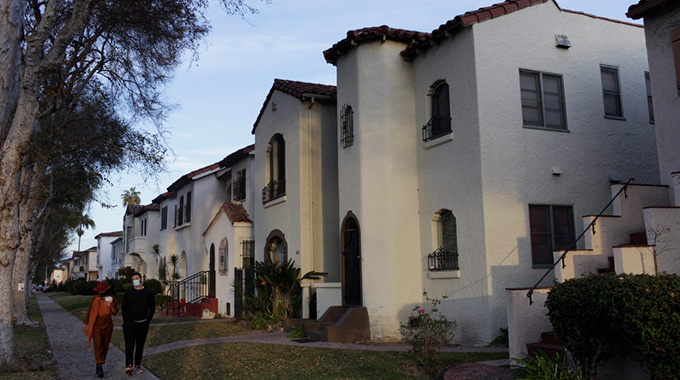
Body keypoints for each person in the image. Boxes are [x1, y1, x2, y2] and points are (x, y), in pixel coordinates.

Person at [122, 272, 155, 375]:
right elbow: (124, 307)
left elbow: (152, 307)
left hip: (143, 323)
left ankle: (137, 365)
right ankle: (129, 366)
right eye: (133, 279)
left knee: (140, 345)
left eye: (136, 278)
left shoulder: (148, 292)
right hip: (130, 323)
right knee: (129, 345)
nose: (135, 281)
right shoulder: (128, 293)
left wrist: (148, 319)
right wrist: (126, 320)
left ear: (141, 279)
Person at [83, 281, 118, 378]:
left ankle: (100, 362)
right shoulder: (95, 300)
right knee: (98, 344)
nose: (102, 292)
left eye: (103, 290)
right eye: (100, 291)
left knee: (105, 345)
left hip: (107, 325)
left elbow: (115, 312)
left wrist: (111, 305)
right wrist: (86, 324)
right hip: (97, 324)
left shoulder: (111, 298)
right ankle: (99, 364)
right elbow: (90, 312)